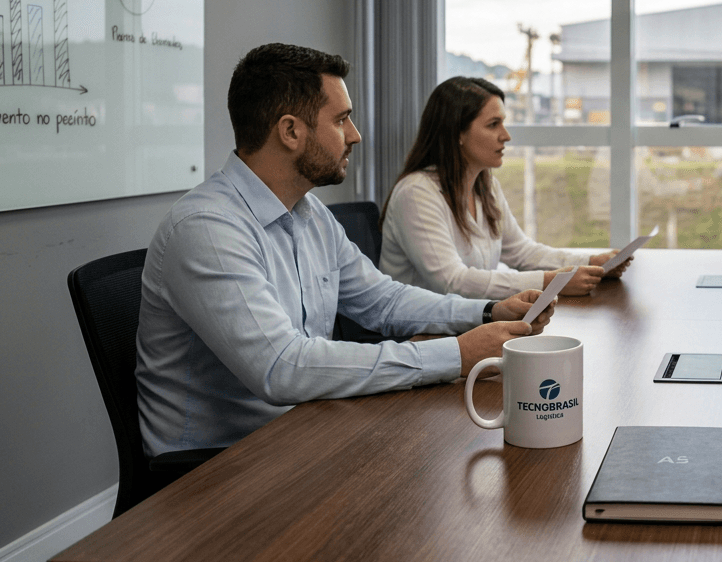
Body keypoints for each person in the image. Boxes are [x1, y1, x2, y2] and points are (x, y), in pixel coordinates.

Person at [136, 44, 551, 457]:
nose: (354, 135)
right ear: (290, 131)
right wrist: (457, 354)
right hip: (216, 469)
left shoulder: (307, 213)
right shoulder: (207, 229)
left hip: (303, 430)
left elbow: (382, 301)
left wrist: (486, 311)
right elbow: (283, 368)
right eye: (341, 119)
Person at [379, 77, 630, 300]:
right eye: (493, 124)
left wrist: (590, 262)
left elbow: (522, 252)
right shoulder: (415, 193)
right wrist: (551, 282)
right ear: (458, 133)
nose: (506, 135)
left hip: (466, 326)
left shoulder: (485, 186)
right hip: (419, 338)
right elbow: (453, 282)